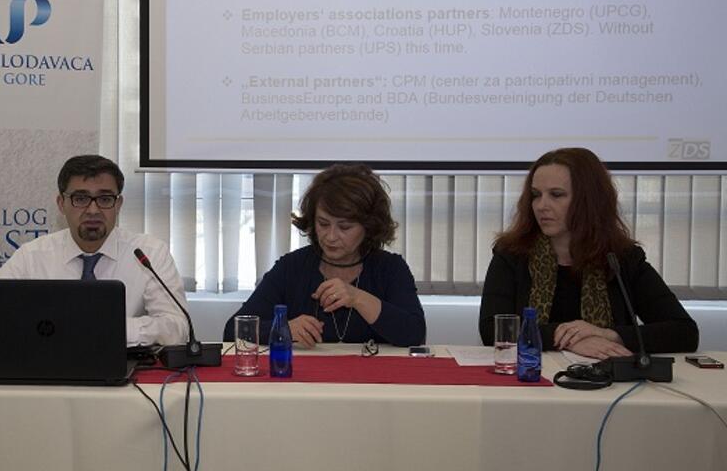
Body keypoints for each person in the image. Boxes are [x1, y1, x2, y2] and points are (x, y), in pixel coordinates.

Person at [479, 147, 698, 358]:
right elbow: (493, 330)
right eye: (536, 195)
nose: (541, 205)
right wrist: (570, 338)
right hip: (532, 376)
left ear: (588, 200)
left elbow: (684, 332)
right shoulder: (512, 254)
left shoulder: (621, 258)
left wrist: (608, 335)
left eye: (556, 195)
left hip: (604, 379)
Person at [0, 155, 189, 346]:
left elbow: (178, 328)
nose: (93, 210)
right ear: (61, 204)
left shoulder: (148, 253)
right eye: (81, 198)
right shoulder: (32, 256)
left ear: (118, 205)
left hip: (120, 371)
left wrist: (107, 327)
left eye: (105, 199)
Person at [224, 163, 426, 348]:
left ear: (369, 226)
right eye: (323, 223)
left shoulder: (390, 268)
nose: (330, 236)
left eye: (344, 227)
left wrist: (357, 298)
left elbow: (415, 335)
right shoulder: (292, 267)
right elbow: (232, 331)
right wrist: (281, 330)